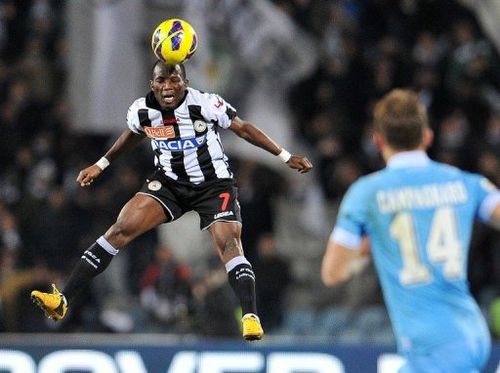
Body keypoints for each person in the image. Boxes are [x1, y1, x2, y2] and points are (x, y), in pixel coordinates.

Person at [31, 61, 313, 341]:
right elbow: (133, 134)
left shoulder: (205, 104)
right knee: (119, 229)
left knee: (228, 243)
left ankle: (250, 317)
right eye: (161, 81)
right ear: (152, 85)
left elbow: (244, 129)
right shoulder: (142, 111)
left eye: (174, 80)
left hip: (212, 185)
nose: (168, 87)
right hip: (170, 183)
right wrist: (101, 164)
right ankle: (62, 299)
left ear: (185, 84)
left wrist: (286, 157)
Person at [321, 89, 500, 372]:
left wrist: (367, 249)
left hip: (433, 346)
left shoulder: (367, 194)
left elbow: (333, 273)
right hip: (469, 332)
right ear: (427, 136)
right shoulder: (467, 183)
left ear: (378, 140)